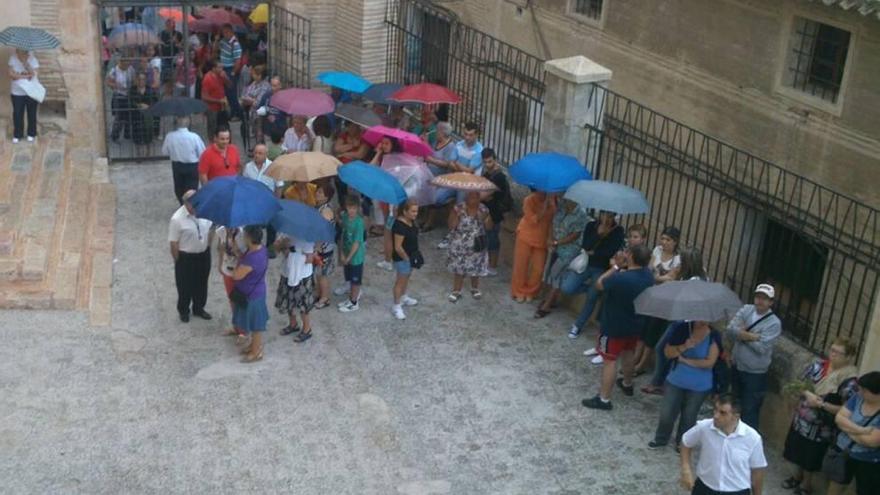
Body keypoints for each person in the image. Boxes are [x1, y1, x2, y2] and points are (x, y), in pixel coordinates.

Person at [581, 244, 654, 411]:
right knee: (628, 353)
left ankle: (604, 399)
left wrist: (616, 266)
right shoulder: (648, 277)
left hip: (613, 326)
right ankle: (627, 384)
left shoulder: (621, 278)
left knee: (609, 360)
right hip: (635, 324)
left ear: (632, 257)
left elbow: (599, 284)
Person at [782, 338, 859, 495]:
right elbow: (801, 382)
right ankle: (796, 477)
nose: (833, 354)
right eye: (832, 350)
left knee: (811, 456)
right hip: (801, 419)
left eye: (838, 353)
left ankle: (806, 485)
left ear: (849, 357)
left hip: (821, 428)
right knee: (796, 449)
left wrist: (820, 404)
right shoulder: (819, 366)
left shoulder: (850, 380)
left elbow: (847, 409)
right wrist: (806, 393)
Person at [640, 245, 708, 393]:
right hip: (680, 319)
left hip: (684, 322)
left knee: (662, 349)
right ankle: (662, 382)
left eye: (682, 260)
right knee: (668, 351)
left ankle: (660, 383)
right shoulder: (696, 276)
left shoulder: (694, 281)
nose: (679, 263)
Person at [649, 320, 721, 450]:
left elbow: (709, 363)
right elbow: (667, 353)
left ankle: (683, 443)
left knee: (689, 415)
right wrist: (684, 346)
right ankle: (661, 438)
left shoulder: (714, 335)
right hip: (676, 380)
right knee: (667, 412)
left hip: (700, 385)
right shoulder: (682, 329)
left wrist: (685, 360)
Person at [680, 394, 768, 495]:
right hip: (705, 488)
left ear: (736, 416)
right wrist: (685, 469)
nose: (716, 416)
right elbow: (686, 441)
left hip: (737, 491)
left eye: (723, 413)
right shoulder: (704, 427)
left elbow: (757, 471)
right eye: (715, 410)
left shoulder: (752, 438)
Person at [726, 283, 782, 431]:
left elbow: (762, 348)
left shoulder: (774, 323)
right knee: (734, 403)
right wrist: (752, 336)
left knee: (750, 410)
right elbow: (730, 330)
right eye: (758, 297)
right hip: (737, 365)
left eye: (764, 299)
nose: (760, 301)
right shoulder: (746, 309)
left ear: (771, 302)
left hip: (754, 373)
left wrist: (742, 334)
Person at [561, 211, 625, 337]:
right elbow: (585, 245)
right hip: (585, 264)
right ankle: (588, 289)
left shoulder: (618, 231)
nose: (606, 218)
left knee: (592, 298)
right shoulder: (591, 225)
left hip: (601, 268)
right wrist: (598, 234)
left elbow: (610, 251)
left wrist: (595, 253)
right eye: (604, 215)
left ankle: (577, 326)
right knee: (567, 287)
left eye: (610, 216)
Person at [535, 198, 588, 318]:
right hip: (556, 245)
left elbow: (575, 235)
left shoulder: (581, 214)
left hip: (569, 249)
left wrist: (556, 242)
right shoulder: (561, 208)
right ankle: (549, 301)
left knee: (557, 274)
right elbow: (552, 224)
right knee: (551, 273)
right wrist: (551, 239)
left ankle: (546, 305)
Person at [830, 371, 880, 495]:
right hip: (844, 451)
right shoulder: (857, 398)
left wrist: (847, 429)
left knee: (865, 490)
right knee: (836, 483)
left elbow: (872, 442)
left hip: (868, 460)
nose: (860, 392)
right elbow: (839, 418)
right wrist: (861, 430)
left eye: (864, 390)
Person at [168, 190, 213, 323]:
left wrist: (207, 247)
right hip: (186, 257)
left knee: (202, 283)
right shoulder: (177, 219)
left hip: (203, 254)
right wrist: (178, 260)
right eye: (193, 205)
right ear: (186, 204)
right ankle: (184, 310)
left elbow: (210, 229)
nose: (196, 207)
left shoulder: (204, 210)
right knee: (184, 286)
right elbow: (173, 243)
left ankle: (199, 308)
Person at [510, 190, 556, 303]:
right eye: (540, 190)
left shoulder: (553, 200)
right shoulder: (529, 200)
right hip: (526, 235)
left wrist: (551, 237)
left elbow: (552, 221)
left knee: (539, 268)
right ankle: (518, 291)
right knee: (521, 265)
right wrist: (544, 207)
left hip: (542, 238)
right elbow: (533, 220)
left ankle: (531, 291)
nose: (543, 193)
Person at [233, 225, 270, 363]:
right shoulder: (261, 250)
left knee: (256, 326)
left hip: (252, 295)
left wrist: (237, 264)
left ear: (249, 238)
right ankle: (253, 346)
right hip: (257, 291)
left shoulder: (253, 258)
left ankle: (256, 352)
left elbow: (237, 276)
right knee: (255, 324)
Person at [446, 191, 492, 302]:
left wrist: (485, 219)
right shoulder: (458, 208)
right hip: (460, 243)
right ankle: (456, 290)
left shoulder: (483, 209)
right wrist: (457, 215)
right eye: (471, 197)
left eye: (476, 197)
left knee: (476, 266)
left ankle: (475, 288)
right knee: (459, 266)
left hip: (477, 243)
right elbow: (451, 226)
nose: (474, 200)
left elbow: (489, 227)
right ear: (466, 197)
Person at [274, 235, 317, 343]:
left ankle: (307, 329)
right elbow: (276, 251)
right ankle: (293, 324)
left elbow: (309, 259)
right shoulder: (284, 234)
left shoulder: (307, 238)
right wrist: (282, 246)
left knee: (303, 305)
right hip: (287, 272)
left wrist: (293, 254)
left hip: (302, 275)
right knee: (288, 300)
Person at [242, 144, 280, 255]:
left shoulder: (273, 167)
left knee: (271, 226)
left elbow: (279, 186)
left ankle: (270, 246)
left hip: (268, 202)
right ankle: (253, 247)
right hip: (252, 203)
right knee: (252, 227)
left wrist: (276, 202)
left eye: (260, 153)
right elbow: (244, 184)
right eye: (255, 153)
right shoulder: (248, 167)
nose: (256, 155)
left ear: (266, 154)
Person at [481, 148, 511, 276]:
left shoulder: (499, 176)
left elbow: (483, 194)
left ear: (495, 159)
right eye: (486, 162)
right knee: (488, 237)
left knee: (492, 238)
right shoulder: (487, 173)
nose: (488, 164)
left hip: (495, 211)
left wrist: (484, 195)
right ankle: (488, 263)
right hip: (487, 208)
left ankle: (492, 266)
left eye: (490, 161)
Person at [161, 116, 205, 204]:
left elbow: (164, 152)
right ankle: (190, 207)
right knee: (192, 189)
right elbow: (202, 153)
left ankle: (182, 205)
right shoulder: (194, 137)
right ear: (188, 122)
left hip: (177, 165)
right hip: (192, 166)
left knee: (179, 188)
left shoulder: (170, 136)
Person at [391, 199, 421, 320]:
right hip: (403, 259)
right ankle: (396, 306)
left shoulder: (411, 221)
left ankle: (403, 297)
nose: (415, 214)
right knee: (400, 281)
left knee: (406, 278)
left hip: (410, 256)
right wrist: (407, 260)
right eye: (413, 211)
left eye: (416, 211)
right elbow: (398, 247)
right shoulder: (400, 226)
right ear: (405, 211)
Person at [216, 225, 247, 341]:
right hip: (227, 268)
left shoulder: (242, 234)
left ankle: (243, 330)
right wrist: (219, 264)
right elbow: (220, 249)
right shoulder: (221, 231)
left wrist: (236, 250)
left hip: (238, 271)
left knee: (241, 300)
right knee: (232, 299)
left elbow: (246, 256)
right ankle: (236, 326)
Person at [338, 194, 366, 313]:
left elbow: (357, 242)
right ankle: (350, 298)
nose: (351, 211)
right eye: (349, 208)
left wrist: (349, 257)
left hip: (356, 257)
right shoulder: (344, 217)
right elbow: (343, 233)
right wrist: (341, 253)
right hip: (346, 252)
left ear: (358, 208)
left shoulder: (359, 222)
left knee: (355, 280)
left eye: (354, 208)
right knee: (348, 277)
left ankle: (354, 302)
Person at [8, 48, 41, 143]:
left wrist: (25, 63)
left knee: (32, 113)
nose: (18, 50)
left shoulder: (33, 60)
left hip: (31, 92)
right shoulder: (12, 58)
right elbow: (11, 74)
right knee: (17, 113)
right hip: (17, 92)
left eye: (21, 49)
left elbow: (34, 74)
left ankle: (31, 133)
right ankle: (17, 134)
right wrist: (26, 76)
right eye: (18, 49)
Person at [313, 183, 337, 309]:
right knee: (318, 273)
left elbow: (323, 232)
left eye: (320, 192)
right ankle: (319, 293)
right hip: (320, 247)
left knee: (323, 274)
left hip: (323, 248)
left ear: (326, 196)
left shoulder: (326, 211)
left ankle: (325, 297)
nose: (317, 193)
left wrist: (317, 247)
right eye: (317, 191)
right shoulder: (320, 207)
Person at [240, 65, 270, 149]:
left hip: (260, 115)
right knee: (254, 132)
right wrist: (251, 99)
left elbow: (258, 102)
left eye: (257, 74)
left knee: (259, 132)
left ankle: (260, 148)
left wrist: (250, 100)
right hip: (251, 112)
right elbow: (244, 95)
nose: (254, 76)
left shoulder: (265, 86)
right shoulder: (253, 83)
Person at [106, 58, 136, 142]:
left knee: (129, 114)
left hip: (129, 95)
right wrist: (116, 85)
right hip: (119, 95)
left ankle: (127, 134)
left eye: (128, 63)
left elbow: (134, 80)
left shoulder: (131, 69)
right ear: (121, 62)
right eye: (125, 64)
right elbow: (108, 82)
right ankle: (115, 136)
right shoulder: (114, 70)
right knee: (119, 117)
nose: (127, 66)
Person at [218, 23, 244, 120]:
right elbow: (217, 49)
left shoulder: (235, 44)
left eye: (226, 32)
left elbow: (238, 60)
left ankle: (238, 113)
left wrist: (233, 73)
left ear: (231, 32)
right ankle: (233, 112)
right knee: (227, 93)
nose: (224, 34)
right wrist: (216, 40)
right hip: (223, 68)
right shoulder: (223, 41)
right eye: (223, 32)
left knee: (232, 93)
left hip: (230, 69)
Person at [201, 60, 229, 139]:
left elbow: (230, 86)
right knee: (212, 128)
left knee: (223, 127)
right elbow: (204, 96)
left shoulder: (221, 76)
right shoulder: (207, 79)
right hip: (212, 109)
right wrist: (218, 101)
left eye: (222, 67)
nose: (221, 69)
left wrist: (226, 78)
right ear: (213, 68)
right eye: (219, 67)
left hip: (222, 107)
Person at [128, 73, 157, 147]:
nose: (141, 81)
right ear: (136, 80)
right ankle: (138, 141)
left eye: (143, 79)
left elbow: (155, 101)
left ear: (146, 80)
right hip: (136, 114)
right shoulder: (132, 90)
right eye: (139, 79)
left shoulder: (150, 90)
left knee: (148, 127)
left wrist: (148, 106)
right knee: (137, 127)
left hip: (147, 114)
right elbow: (130, 101)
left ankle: (148, 141)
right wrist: (139, 105)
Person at [158, 18, 182, 83]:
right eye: (168, 25)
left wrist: (176, 42)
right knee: (164, 75)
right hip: (165, 57)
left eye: (171, 25)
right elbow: (159, 44)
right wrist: (161, 43)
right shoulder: (161, 33)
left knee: (175, 76)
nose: (169, 27)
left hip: (175, 58)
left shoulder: (178, 34)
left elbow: (181, 46)